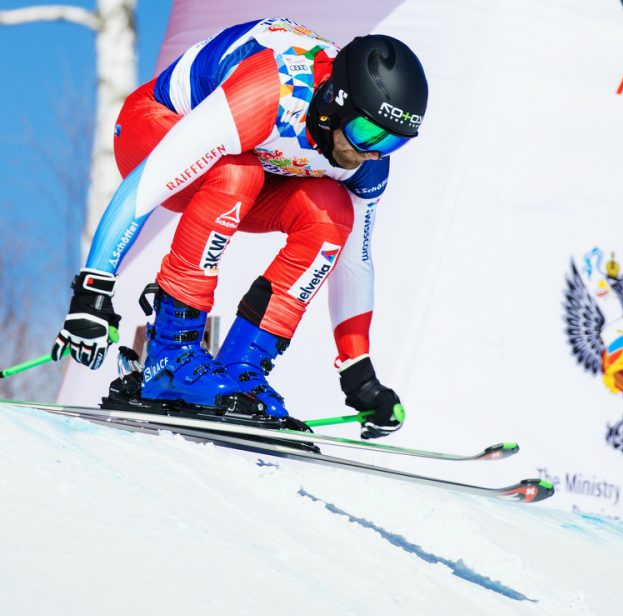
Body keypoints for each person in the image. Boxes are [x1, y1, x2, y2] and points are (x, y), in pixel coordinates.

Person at [50, 18, 427, 439]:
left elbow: (355, 260)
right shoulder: (268, 95)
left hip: (241, 169)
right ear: (334, 103)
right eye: (367, 133)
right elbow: (146, 184)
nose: (374, 154)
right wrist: (92, 292)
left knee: (332, 210)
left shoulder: (365, 155)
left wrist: (359, 372)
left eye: (393, 142)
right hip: (151, 130)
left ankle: (242, 366)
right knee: (237, 172)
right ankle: (169, 355)